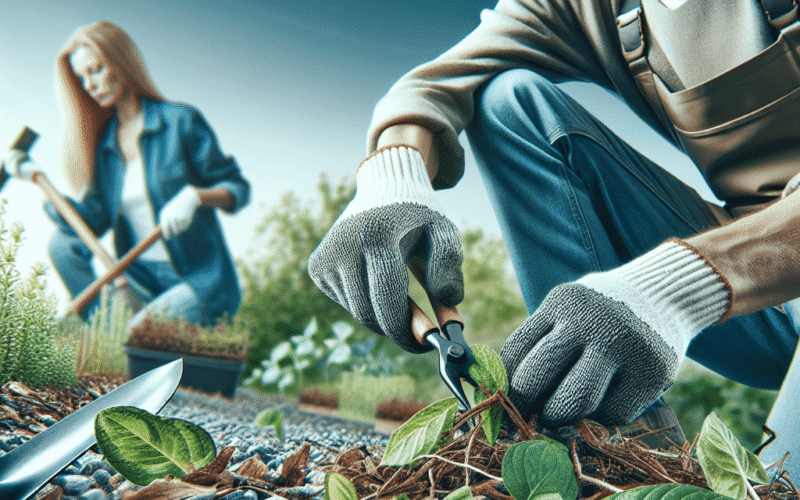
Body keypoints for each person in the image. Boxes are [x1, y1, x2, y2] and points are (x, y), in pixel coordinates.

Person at [309, 0, 800, 475]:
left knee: (781, 486)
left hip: (750, 272)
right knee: (509, 99)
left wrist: (674, 287)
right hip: (755, 314)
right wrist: (392, 181)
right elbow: (444, 79)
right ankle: (611, 444)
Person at [25, 21, 250, 329]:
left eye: (96, 70)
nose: (89, 85)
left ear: (122, 62)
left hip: (198, 280)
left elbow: (236, 187)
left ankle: (118, 335)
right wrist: (38, 180)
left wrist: (195, 196)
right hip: (140, 279)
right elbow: (93, 218)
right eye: (82, 77)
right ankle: (103, 331)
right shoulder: (107, 147)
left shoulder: (180, 122)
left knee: (135, 337)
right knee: (61, 244)